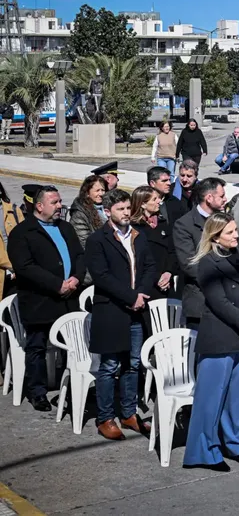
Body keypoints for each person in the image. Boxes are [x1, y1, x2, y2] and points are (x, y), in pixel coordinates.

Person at [183, 213, 239, 471]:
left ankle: (235, 443)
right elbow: (219, 302)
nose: (236, 235)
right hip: (220, 335)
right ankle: (204, 451)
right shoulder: (207, 263)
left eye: (236, 230)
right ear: (215, 237)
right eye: (230, 232)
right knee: (211, 397)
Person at [86, 188, 157, 440]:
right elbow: (102, 276)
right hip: (111, 310)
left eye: (128, 208)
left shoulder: (138, 236)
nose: (126, 213)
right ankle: (105, 417)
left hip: (136, 310)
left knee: (133, 363)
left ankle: (128, 413)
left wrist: (141, 294)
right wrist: (130, 297)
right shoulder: (97, 240)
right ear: (108, 212)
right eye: (120, 209)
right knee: (109, 366)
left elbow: (150, 266)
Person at [8, 186, 85, 411]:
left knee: (71, 347)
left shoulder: (65, 227)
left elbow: (80, 256)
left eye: (60, 201)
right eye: (55, 202)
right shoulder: (23, 232)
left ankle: (71, 388)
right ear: (39, 206)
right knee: (37, 347)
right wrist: (56, 284)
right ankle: (37, 392)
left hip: (69, 298)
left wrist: (76, 279)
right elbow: (25, 267)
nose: (60, 206)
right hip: (39, 301)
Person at [173, 178, 228, 329]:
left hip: (228, 302)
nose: (225, 199)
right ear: (209, 198)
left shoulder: (225, 220)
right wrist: (219, 281)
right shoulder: (184, 225)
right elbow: (189, 264)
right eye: (222, 196)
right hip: (200, 302)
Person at [130, 186, 178, 300]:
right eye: (154, 199)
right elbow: (138, 259)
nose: (159, 201)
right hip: (147, 283)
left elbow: (172, 250)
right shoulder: (134, 228)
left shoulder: (162, 223)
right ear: (143, 204)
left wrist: (168, 272)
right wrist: (157, 277)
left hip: (166, 281)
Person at [69, 175, 108, 250]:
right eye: (97, 191)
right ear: (87, 193)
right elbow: (85, 242)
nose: (101, 194)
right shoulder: (79, 215)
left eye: (103, 190)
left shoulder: (108, 208)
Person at [0, 180, 24, 300]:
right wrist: (13, 266)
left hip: (17, 271)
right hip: (9, 268)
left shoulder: (13, 210)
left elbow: (25, 239)